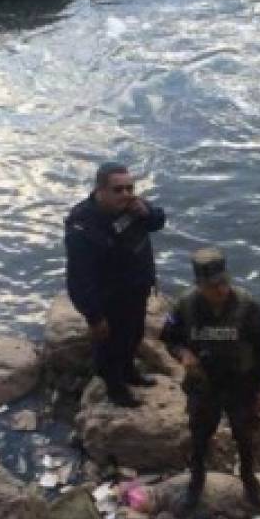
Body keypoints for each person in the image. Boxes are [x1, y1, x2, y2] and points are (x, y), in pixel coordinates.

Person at [160, 248, 260, 516]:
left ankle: (249, 478)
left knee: (245, 437)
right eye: (214, 286)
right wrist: (183, 353)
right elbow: (168, 337)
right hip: (203, 386)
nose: (221, 289)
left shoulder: (249, 307)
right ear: (199, 285)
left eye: (224, 282)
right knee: (199, 437)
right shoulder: (184, 306)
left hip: (241, 386)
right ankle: (196, 481)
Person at [64, 163, 166, 407]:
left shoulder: (134, 206)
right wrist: (94, 316)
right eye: (118, 189)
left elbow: (159, 221)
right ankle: (114, 388)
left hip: (136, 287)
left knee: (134, 336)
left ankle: (130, 371)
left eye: (129, 188)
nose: (125, 194)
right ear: (100, 190)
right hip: (108, 297)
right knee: (110, 345)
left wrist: (147, 213)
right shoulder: (82, 224)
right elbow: (79, 277)